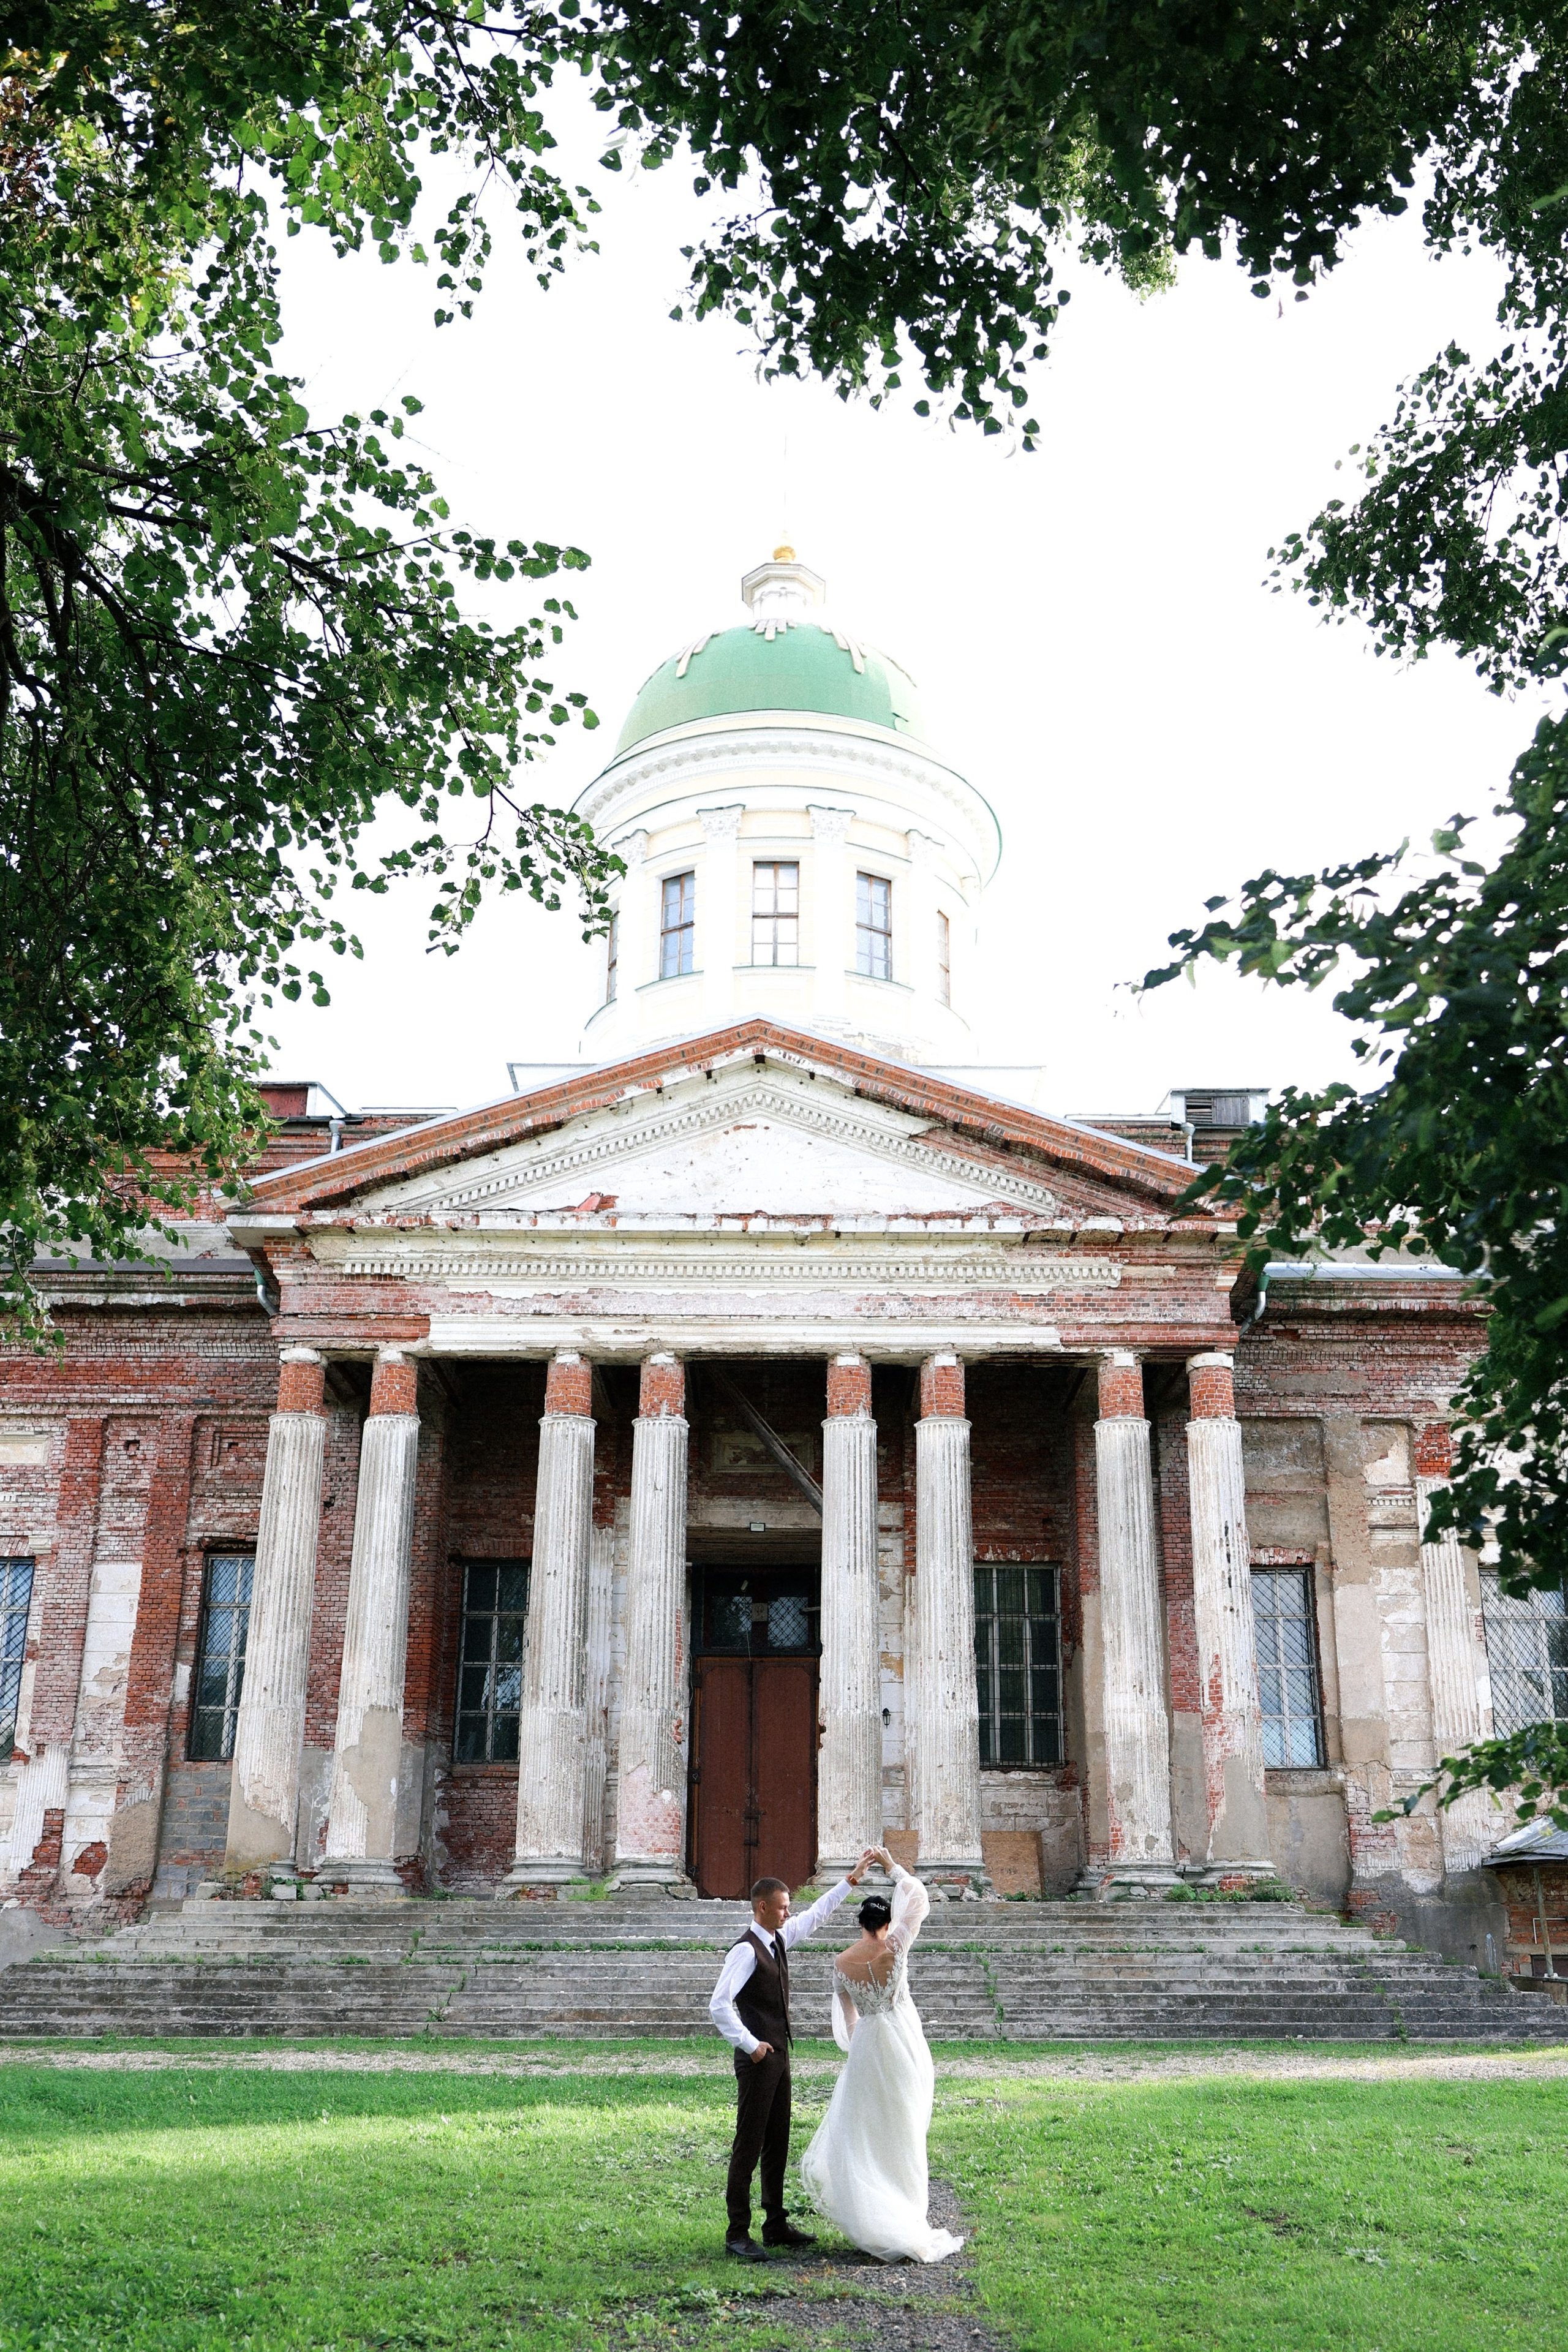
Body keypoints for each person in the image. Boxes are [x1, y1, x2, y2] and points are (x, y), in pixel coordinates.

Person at [709, 1850, 878, 2261]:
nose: (789, 1914)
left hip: (779, 2056)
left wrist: (851, 1880)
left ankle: (775, 2223)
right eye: (783, 1908)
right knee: (748, 2145)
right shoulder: (746, 1951)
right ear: (762, 1907)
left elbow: (816, 1915)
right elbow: (718, 2004)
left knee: (778, 2140)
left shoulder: (778, 1938)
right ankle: (737, 2232)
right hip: (758, 2060)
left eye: (789, 1908)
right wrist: (751, 2045)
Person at [799, 1845, 963, 2264]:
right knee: (904, 2127)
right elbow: (919, 1897)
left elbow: (849, 2020)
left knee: (868, 2131)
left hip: (869, 2044)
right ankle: (907, 2213)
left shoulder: (841, 1963)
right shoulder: (896, 1947)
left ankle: (874, 2217)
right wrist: (892, 1867)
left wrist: (860, 2053)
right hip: (902, 2039)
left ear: (860, 1924)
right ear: (886, 1923)